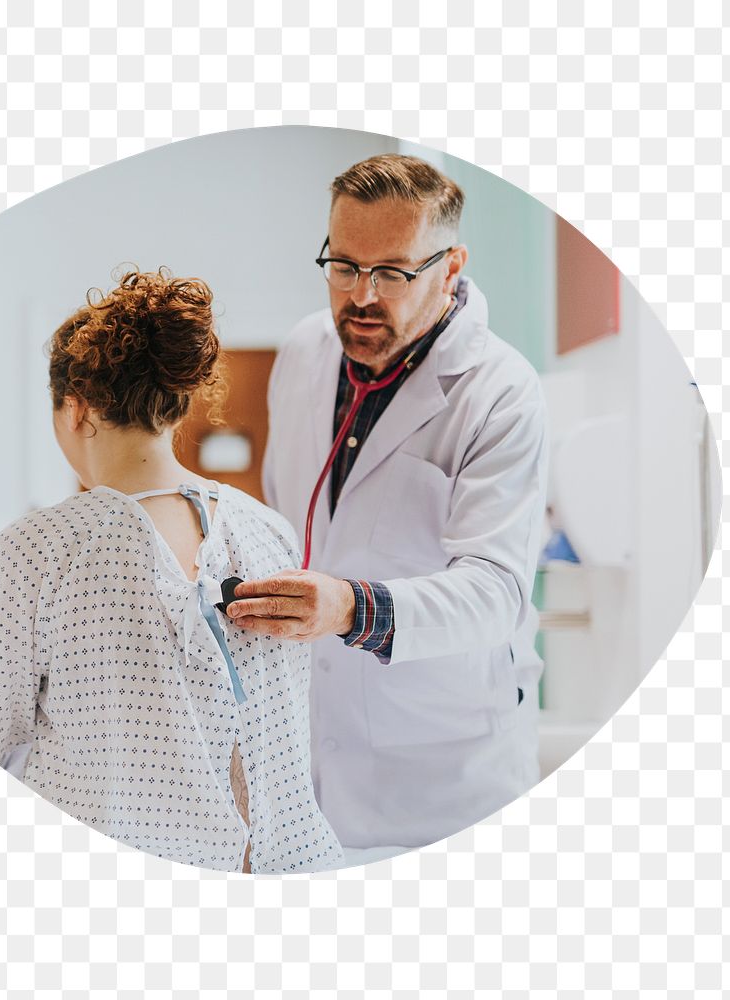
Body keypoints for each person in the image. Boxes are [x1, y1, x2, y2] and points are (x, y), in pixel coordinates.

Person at [0, 269, 344, 874]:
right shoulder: (268, 531)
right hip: (284, 861)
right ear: (173, 404)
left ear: (77, 410)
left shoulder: (38, 548)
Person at [228, 154, 549, 851]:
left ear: (451, 266)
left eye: (393, 272)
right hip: (310, 753)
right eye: (343, 266)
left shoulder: (499, 392)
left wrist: (349, 607)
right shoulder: (304, 351)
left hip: (443, 771)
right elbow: (289, 524)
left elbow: (496, 593)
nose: (362, 296)